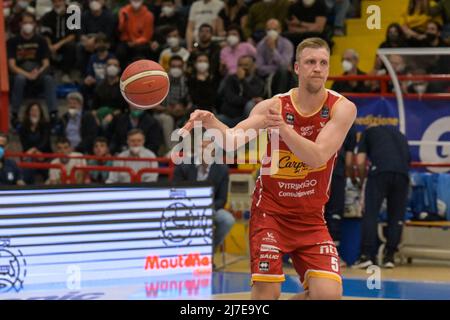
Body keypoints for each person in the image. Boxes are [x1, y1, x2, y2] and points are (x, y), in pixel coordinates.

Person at [181, 37, 357, 300]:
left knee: (328, 295)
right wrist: (211, 121)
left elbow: (318, 157)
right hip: (271, 214)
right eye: (310, 62)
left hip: (310, 217)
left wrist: (283, 129)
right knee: (267, 293)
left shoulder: (341, 108)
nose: (317, 68)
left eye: (323, 62)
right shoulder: (273, 106)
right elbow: (231, 141)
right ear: (297, 68)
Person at [353, 125, 411, 269]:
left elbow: (360, 161)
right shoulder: (400, 135)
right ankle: (390, 257)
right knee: (396, 216)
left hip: (379, 172)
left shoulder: (367, 132)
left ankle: (366, 256)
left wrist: (361, 180)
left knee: (371, 213)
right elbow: (408, 158)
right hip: (402, 174)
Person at [173, 138, 235, 254]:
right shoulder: (183, 165)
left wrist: (205, 209)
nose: (203, 151)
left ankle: (209, 253)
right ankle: (183, 253)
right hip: (185, 206)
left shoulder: (222, 169)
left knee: (227, 220)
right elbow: (175, 190)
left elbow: (222, 199)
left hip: (210, 208)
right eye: (201, 147)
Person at [7, 12, 58, 129]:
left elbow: (46, 63)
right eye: (25, 23)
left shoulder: (41, 41)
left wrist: (37, 73)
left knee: (49, 79)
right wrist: (27, 75)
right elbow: (12, 65)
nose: (28, 25)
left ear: (35, 24)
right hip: (20, 75)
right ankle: (14, 114)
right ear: (20, 24)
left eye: (30, 23)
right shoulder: (12, 41)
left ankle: (53, 114)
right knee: (19, 79)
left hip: (37, 74)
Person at [324, 125, 357, 267]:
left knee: (316, 212)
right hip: (336, 173)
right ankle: (333, 255)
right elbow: (349, 161)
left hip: (318, 171)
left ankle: (301, 254)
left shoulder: (320, 116)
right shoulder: (351, 126)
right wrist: (353, 179)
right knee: (335, 213)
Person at [255, 18, 295, 96]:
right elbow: (259, 68)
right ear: (265, 31)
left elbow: (284, 65)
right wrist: (275, 68)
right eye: (269, 29)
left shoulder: (287, 44)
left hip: (284, 77)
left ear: (280, 30)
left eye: (274, 29)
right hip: (265, 77)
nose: (271, 32)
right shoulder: (260, 45)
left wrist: (273, 49)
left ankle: (280, 99)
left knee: (283, 73)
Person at [40, 0, 77, 78]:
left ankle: (65, 73)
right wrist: (50, 45)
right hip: (52, 42)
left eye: (59, 1)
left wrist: (58, 45)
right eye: (55, 2)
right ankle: (49, 72)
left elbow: (73, 35)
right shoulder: (47, 16)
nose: (57, 4)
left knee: (71, 46)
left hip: (66, 42)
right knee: (43, 45)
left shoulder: (73, 15)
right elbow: (46, 34)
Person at [18, 101, 52, 184]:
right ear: (28, 112)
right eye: (32, 110)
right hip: (29, 153)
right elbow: (24, 143)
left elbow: (45, 141)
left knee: (39, 159)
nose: (34, 113)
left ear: (40, 113)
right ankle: (26, 184)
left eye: (37, 110)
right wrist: (32, 151)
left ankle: (48, 181)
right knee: (29, 160)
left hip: (43, 153)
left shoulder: (46, 125)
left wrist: (35, 150)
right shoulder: (23, 127)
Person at [117, 0, 154, 66]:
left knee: (141, 51)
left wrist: (135, 42)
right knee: (120, 52)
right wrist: (123, 19)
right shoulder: (124, 11)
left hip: (140, 43)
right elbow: (120, 29)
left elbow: (146, 36)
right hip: (126, 42)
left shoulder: (148, 15)